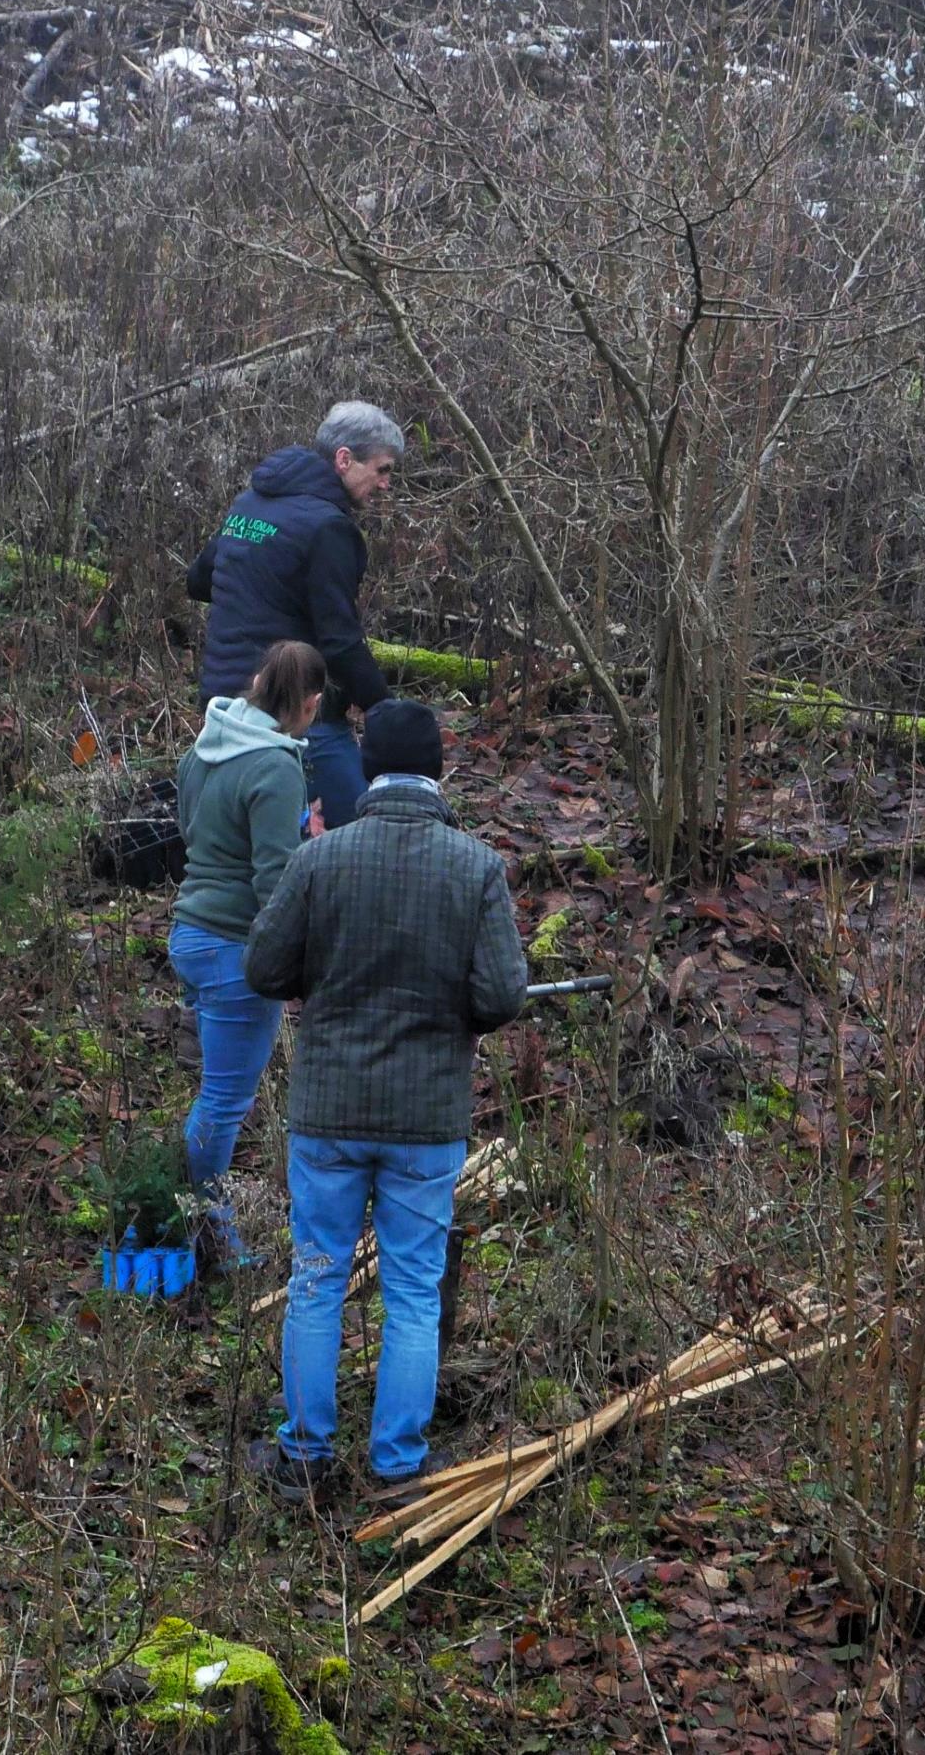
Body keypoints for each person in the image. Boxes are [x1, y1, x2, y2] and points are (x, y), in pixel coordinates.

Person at [243, 700, 526, 1502]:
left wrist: (322, 981)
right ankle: (398, 1466)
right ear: (439, 770)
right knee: (410, 1289)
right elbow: (504, 993)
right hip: (425, 1118)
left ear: (368, 767)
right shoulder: (475, 866)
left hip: (328, 1109)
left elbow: (265, 968)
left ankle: (303, 1457)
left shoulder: (321, 862)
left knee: (317, 1278)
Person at [169, 641, 325, 1252]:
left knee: (214, 1090)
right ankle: (209, 1234)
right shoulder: (276, 766)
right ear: (308, 705)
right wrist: (302, 961)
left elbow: (189, 835)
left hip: (189, 933)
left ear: (257, 682)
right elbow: (275, 882)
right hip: (235, 948)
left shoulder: (204, 746)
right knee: (225, 1102)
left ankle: (196, 1214)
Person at [187, 401, 403, 830]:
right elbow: (340, 640)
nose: (386, 485)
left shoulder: (249, 504)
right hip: (295, 715)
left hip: (221, 711)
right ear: (344, 459)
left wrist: (260, 589)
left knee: (260, 843)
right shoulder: (328, 527)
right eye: (382, 470)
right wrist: (386, 712)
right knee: (365, 829)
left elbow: (199, 580)